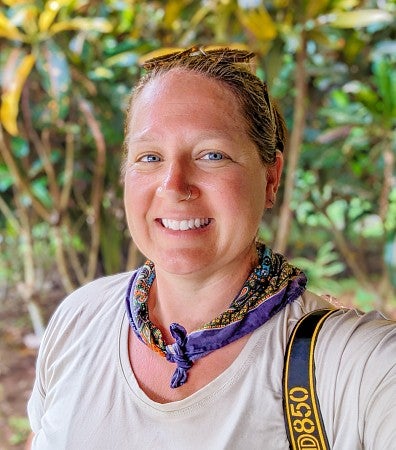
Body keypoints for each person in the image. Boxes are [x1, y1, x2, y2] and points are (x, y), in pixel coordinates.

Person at [26, 46, 396, 449]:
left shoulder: (353, 365)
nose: (173, 184)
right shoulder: (80, 319)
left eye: (212, 155)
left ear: (271, 178)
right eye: (149, 157)